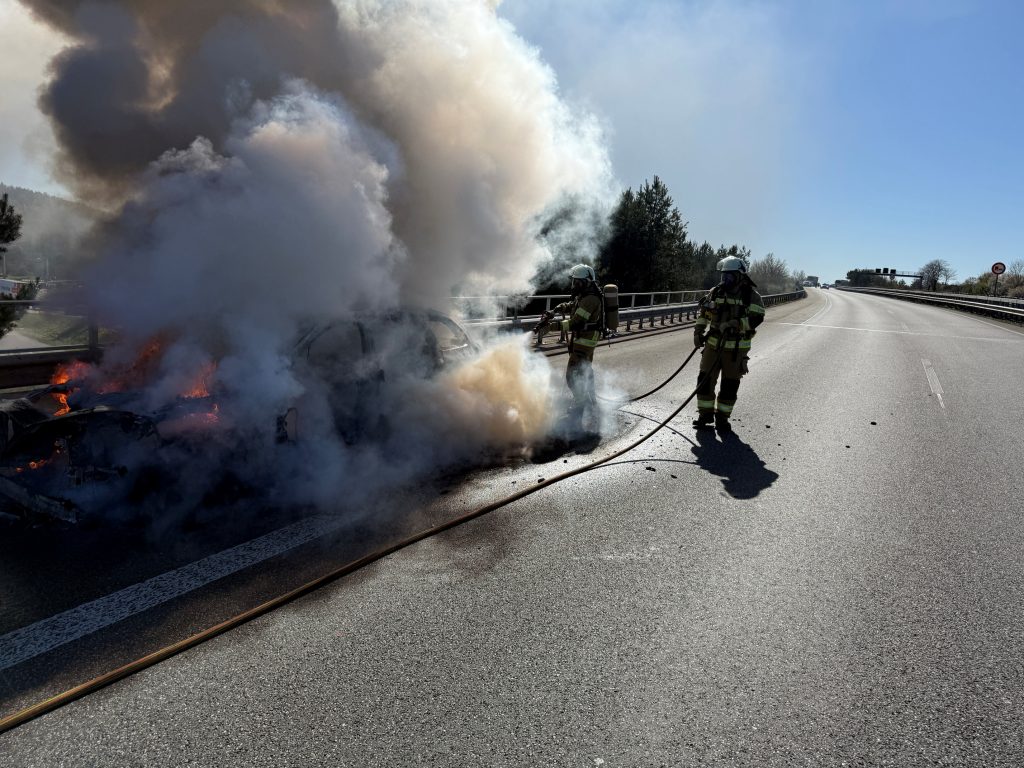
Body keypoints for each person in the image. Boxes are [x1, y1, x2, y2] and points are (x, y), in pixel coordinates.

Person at [692, 256, 765, 432]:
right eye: (723, 276)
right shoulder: (716, 292)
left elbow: (757, 318)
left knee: (730, 385)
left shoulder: (751, 296)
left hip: (735, 350)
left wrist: (735, 324)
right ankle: (705, 415)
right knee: (704, 381)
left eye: (730, 277)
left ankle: (722, 418)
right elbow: (703, 313)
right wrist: (698, 332)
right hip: (712, 346)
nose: (725, 280)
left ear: (740, 276)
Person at [539, 264, 604, 426]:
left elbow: (576, 322)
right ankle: (591, 403)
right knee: (585, 371)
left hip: (585, 340)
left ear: (586, 282)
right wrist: (554, 310)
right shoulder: (584, 296)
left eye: (577, 282)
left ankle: (581, 406)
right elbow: (571, 306)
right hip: (583, 339)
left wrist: (551, 327)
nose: (574, 285)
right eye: (574, 282)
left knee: (572, 376)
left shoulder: (591, 299)